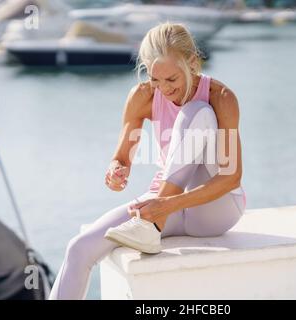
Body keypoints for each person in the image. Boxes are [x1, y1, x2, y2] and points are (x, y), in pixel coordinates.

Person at [48, 22, 246, 300]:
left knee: (196, 111)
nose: (163, 89)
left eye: (172, 80)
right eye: (155, 79)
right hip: (163, 206)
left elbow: (231, 178)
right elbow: (121, 157)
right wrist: (116, 171)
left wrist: (164, 206)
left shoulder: (220, 97)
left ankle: (151, 226)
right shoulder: (142, 97)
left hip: (215, 208)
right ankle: (150, 225)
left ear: (192, 63)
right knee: (79, 249)